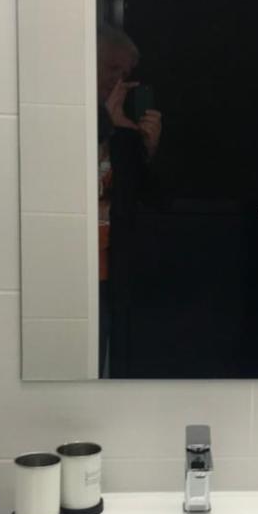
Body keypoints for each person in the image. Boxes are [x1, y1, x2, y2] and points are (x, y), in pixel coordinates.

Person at [97, 24, 162, 375]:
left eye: (125, 73)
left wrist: (148, 149)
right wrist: (105, 123)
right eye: (111, 68)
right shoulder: (68, 116)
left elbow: (151, 199)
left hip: (115, 266)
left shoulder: (125, 133)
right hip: (74, 264)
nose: (118, 80)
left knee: (110, 352)